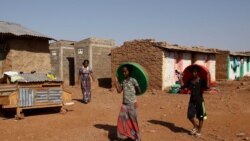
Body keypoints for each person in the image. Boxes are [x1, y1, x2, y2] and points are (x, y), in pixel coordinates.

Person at [180, 66, 209, 137]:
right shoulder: (190, 81)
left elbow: (208, 87)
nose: (193, 73)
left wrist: (208, 77)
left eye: (195, 71)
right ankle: (196, 126)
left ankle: (199, 131)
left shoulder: (202, 81)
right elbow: (183, 87)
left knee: (201, 117)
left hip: (200, 101)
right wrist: (180, 78)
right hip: (192, 101)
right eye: (192, 72)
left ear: (197, 72)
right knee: (190, 115)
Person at [114, 65, 141, 141]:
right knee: (121, 120)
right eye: (123, 71)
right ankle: (122, 137)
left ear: (129, 72)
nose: (124, 73)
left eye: (125, 71)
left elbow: (139, 91)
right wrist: (116, 82)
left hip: (132, 104)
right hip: (124, 104)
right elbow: (119, 91)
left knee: (133, 121)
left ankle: (137, 138)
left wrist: (136, 89)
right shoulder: (123, 81)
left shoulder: (133, 80)